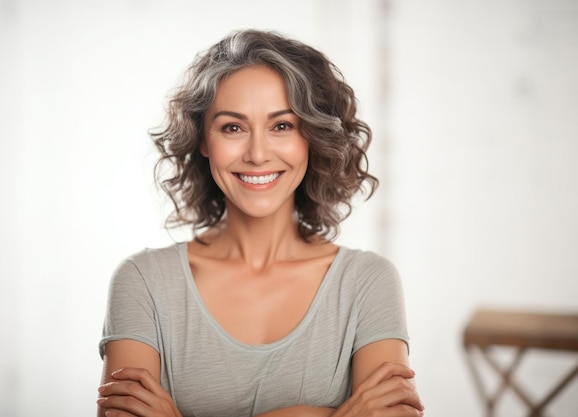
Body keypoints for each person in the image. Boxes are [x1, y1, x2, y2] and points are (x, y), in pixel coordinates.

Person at [97, 29, 424, 417]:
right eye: (233, 127)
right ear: (204, 139)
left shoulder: (368, 282)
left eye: (281, 126)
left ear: (312, 137)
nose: (256, 154)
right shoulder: (143, 282)